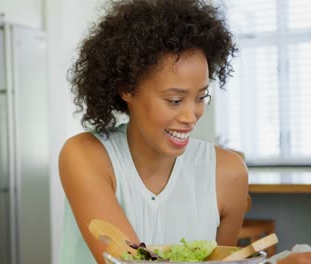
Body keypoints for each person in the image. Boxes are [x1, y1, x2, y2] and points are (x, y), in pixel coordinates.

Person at [58, 0, 311, 264]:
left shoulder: (227, 175)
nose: (191, 117)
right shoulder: (86, 156)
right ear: (127, 88)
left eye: (201, 97)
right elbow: (132, 261)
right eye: (175, 100)